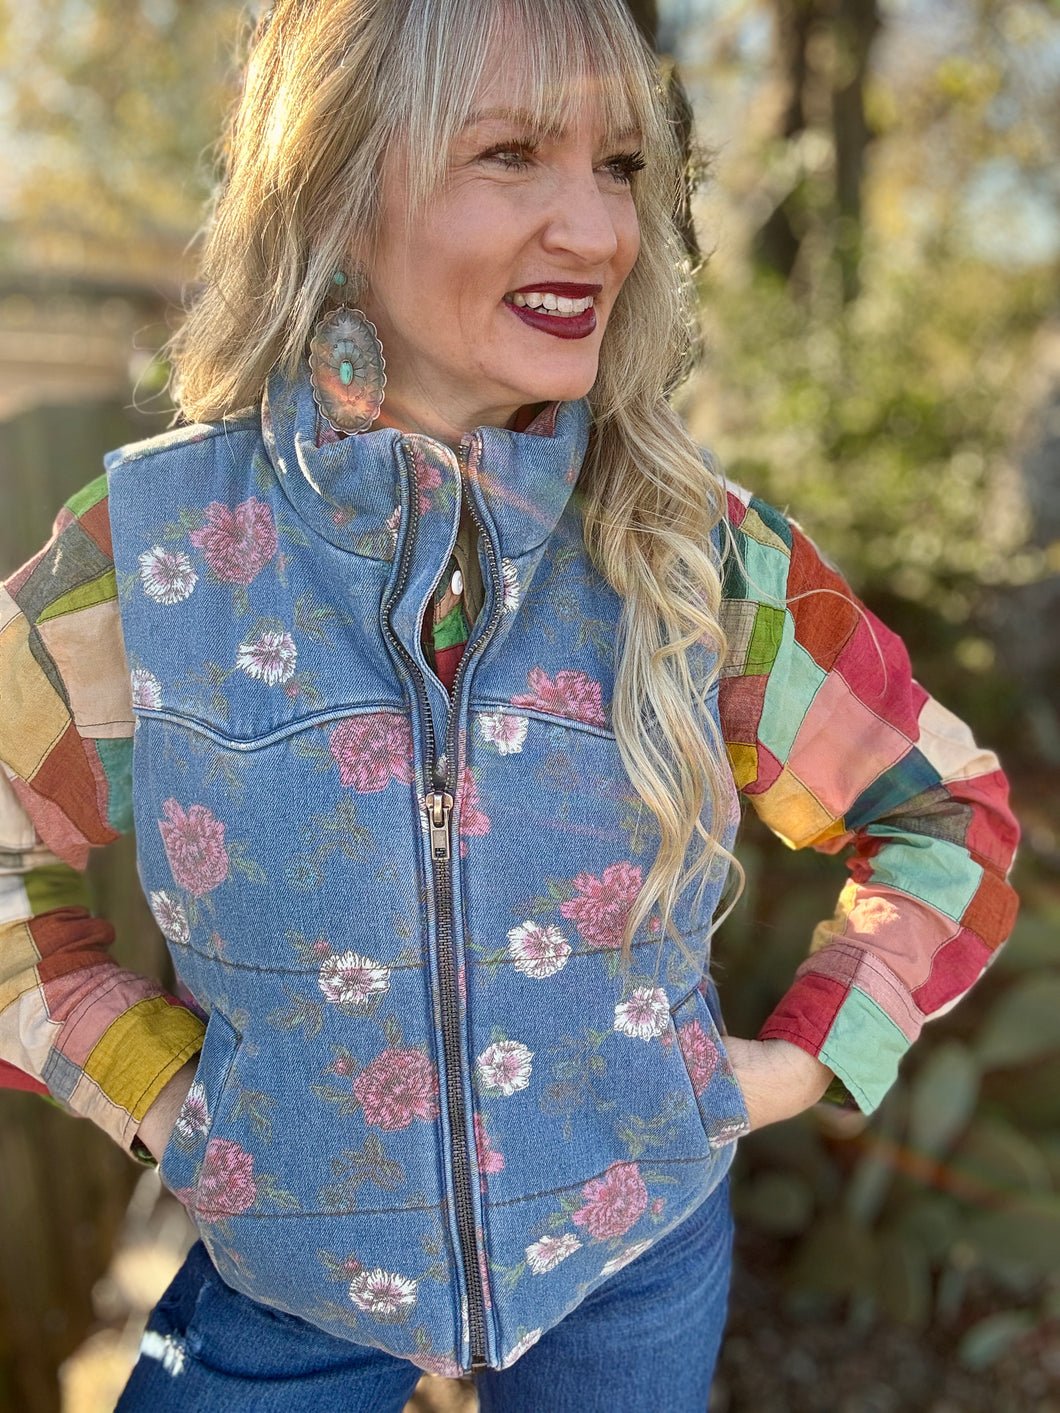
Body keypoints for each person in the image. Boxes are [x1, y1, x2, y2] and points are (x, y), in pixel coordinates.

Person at [0, 1, 1019, 1409]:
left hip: (632, 1261)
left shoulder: (694, 564)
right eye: (510, 154)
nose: (598, 232)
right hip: (282, 1284)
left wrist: (783, 1069)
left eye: (616, 166)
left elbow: (940, 820)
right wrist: (162, 1094)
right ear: (340, 194)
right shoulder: (163, 558)